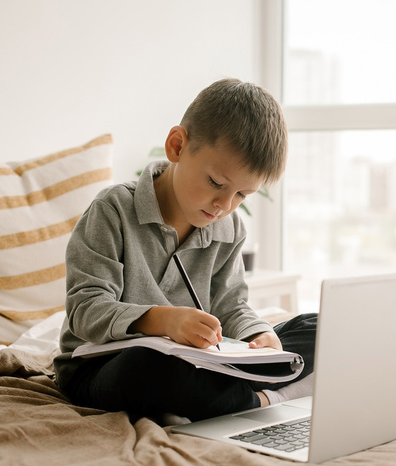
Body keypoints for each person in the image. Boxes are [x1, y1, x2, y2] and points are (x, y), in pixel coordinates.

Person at [53, 78, 317, 424]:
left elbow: (230, 305)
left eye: (241, 195)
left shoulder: (229, 227)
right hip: (102, 364)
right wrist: (162, 320)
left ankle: (235, 392)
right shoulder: (112, 210)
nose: (225, 204)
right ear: (177, 146)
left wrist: (258, 336)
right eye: (216, 183)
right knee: (151, 368)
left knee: (320, 327)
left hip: (198, 360)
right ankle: (260, 399)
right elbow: (85, 310)